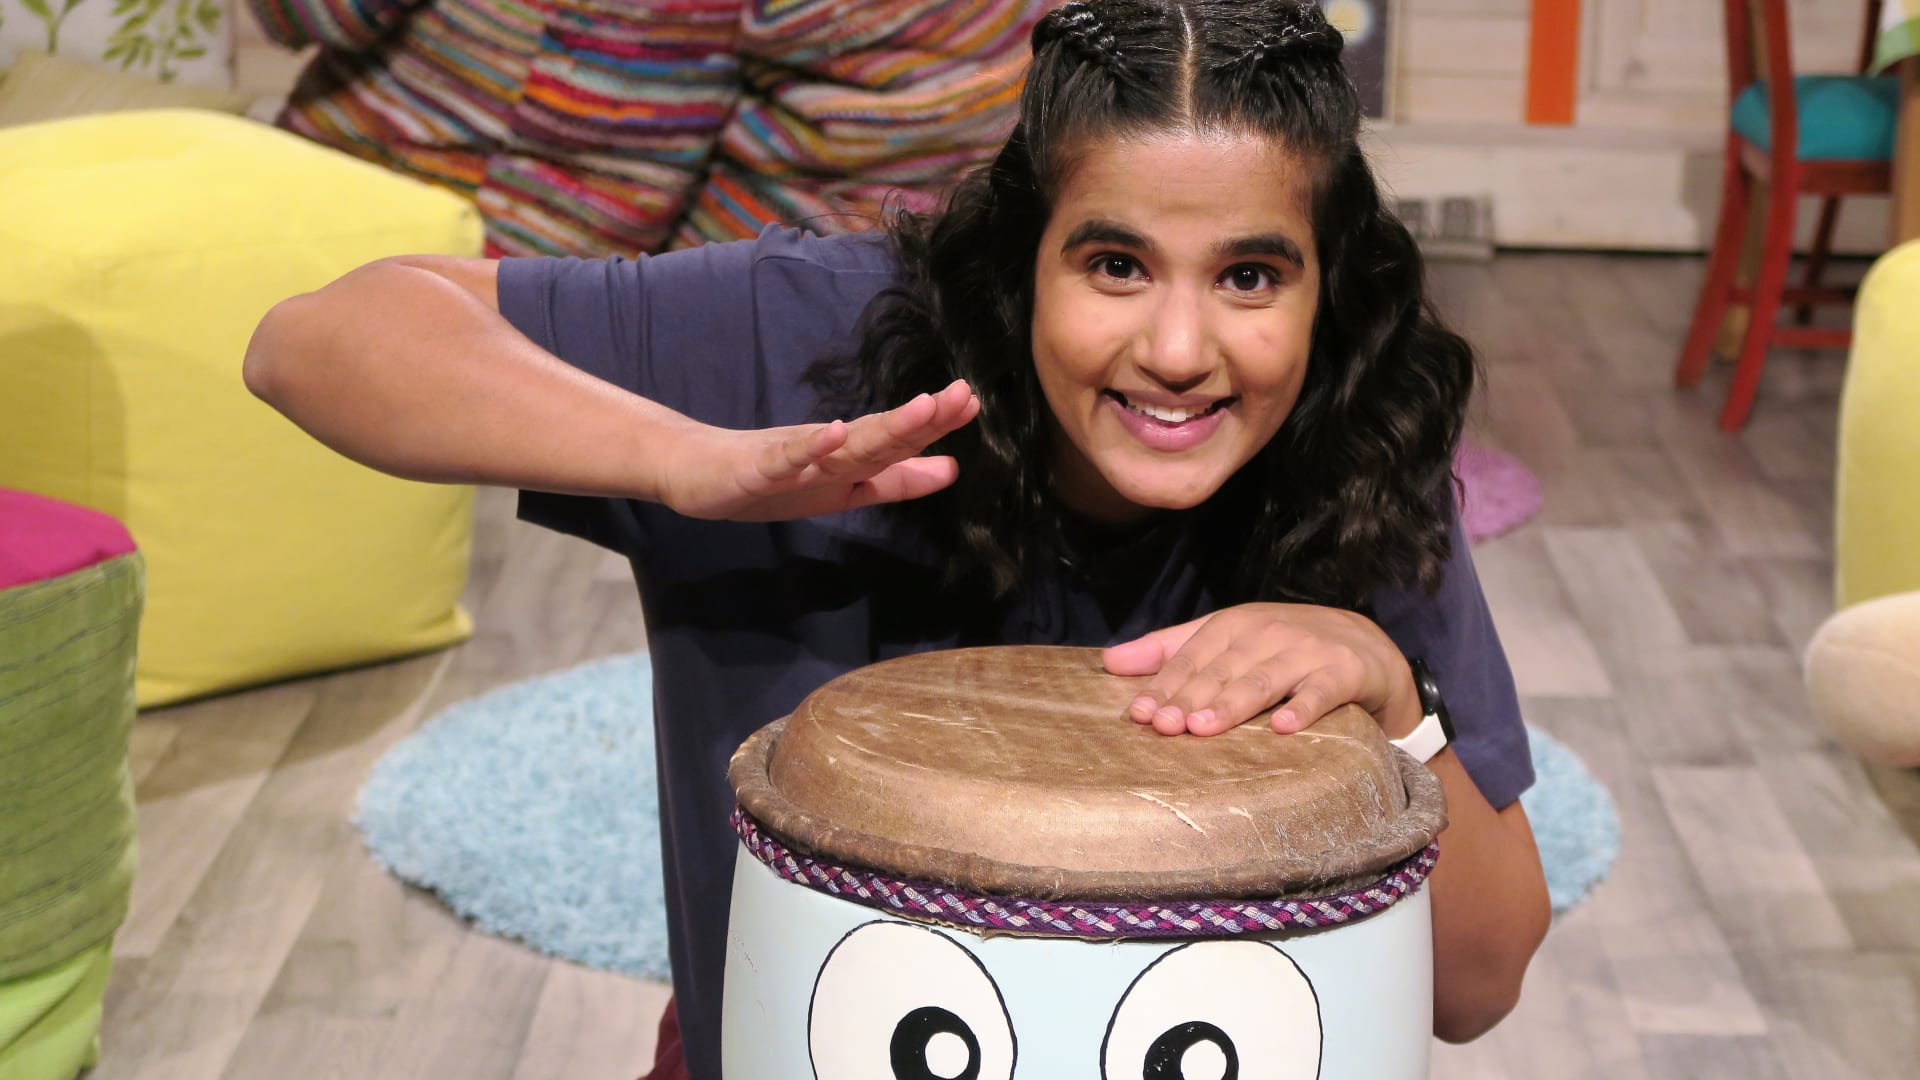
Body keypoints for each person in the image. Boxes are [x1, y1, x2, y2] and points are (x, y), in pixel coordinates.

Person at [243, 2, 1552, 1077]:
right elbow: (312, 342)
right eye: (1114, 265)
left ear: (1327, 291)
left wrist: (1394, 700)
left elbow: (1479, 987)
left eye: (1250, 277)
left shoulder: (1349, 435)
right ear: (1022, 256)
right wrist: (685, 460)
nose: (1176, 348)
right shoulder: (810, 342)